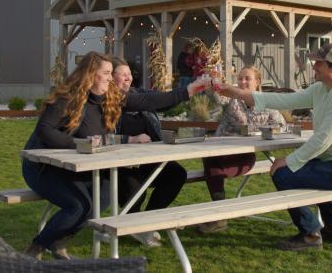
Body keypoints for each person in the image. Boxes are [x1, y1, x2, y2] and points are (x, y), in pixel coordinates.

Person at [21, 51, 208, 259]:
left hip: (77, 168)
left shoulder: (110, 97)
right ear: (91, 74)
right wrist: (78, 144)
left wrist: (188, 91)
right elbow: (44, 131)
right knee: (79, 206)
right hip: (43, 168)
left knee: (103, 197)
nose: (111, 78)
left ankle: (58, 241)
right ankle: (36, 248)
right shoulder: (67, 98)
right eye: (107, 73)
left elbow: (148, 100)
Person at [216, 43, 332, 250]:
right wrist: (235, 92)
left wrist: (288, 161)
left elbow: (322, 140)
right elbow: (283, 99)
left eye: (319, 63)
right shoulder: (322, 88)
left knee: (282, 174)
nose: (314, 66)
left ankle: (310, 234)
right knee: (304, 170)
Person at [198, 66, 287, 233]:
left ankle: (219, 216)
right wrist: (212, 83)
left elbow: (281, 126)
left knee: (212, 170)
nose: (242, 82)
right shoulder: (232, 98)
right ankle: (219, 215)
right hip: (219, 152)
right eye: (240, 78)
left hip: (243, 156)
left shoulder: (266, 102)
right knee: (211, 161)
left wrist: (259, 132)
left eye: (247, 78)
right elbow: (216, 97)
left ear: (257, 82)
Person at [111, 58, 188, 248]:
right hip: (118, 163)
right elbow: (102, 138)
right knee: (134, 188)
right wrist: (129, 140)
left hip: (148, 159)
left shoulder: (140, 94)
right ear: (110, 78)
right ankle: (135, 224)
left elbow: (163, 102)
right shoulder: (107, 103)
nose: (128, 78)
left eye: (129, 74)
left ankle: (148, 222)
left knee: (176, 174)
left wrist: (189, 93)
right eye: (123, 74)